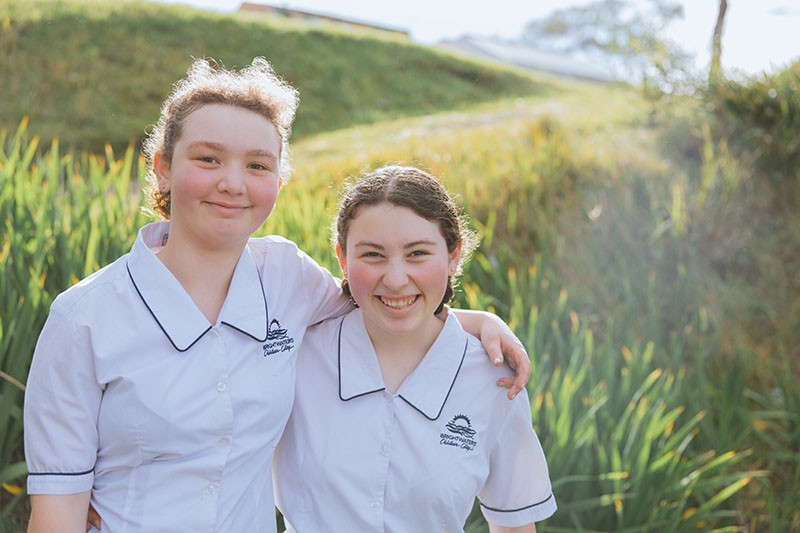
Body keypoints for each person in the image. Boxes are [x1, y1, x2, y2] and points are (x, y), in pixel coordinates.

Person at [23, 58, 531, 533]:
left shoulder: (287, 276)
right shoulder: (82, 319)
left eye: (258, 166)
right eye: (208, 158)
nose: (232, 183)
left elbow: (381, 297)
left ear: (278, 182)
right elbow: (58, 507)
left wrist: (476, 321)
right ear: (161, 166)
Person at [273, 165, 556, 532]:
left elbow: (513, 524)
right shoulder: (296, 353)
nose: (394, 279)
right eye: (372, 255)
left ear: (454, 256)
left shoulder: (495, 379)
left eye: (418, 253)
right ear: (343, 260)